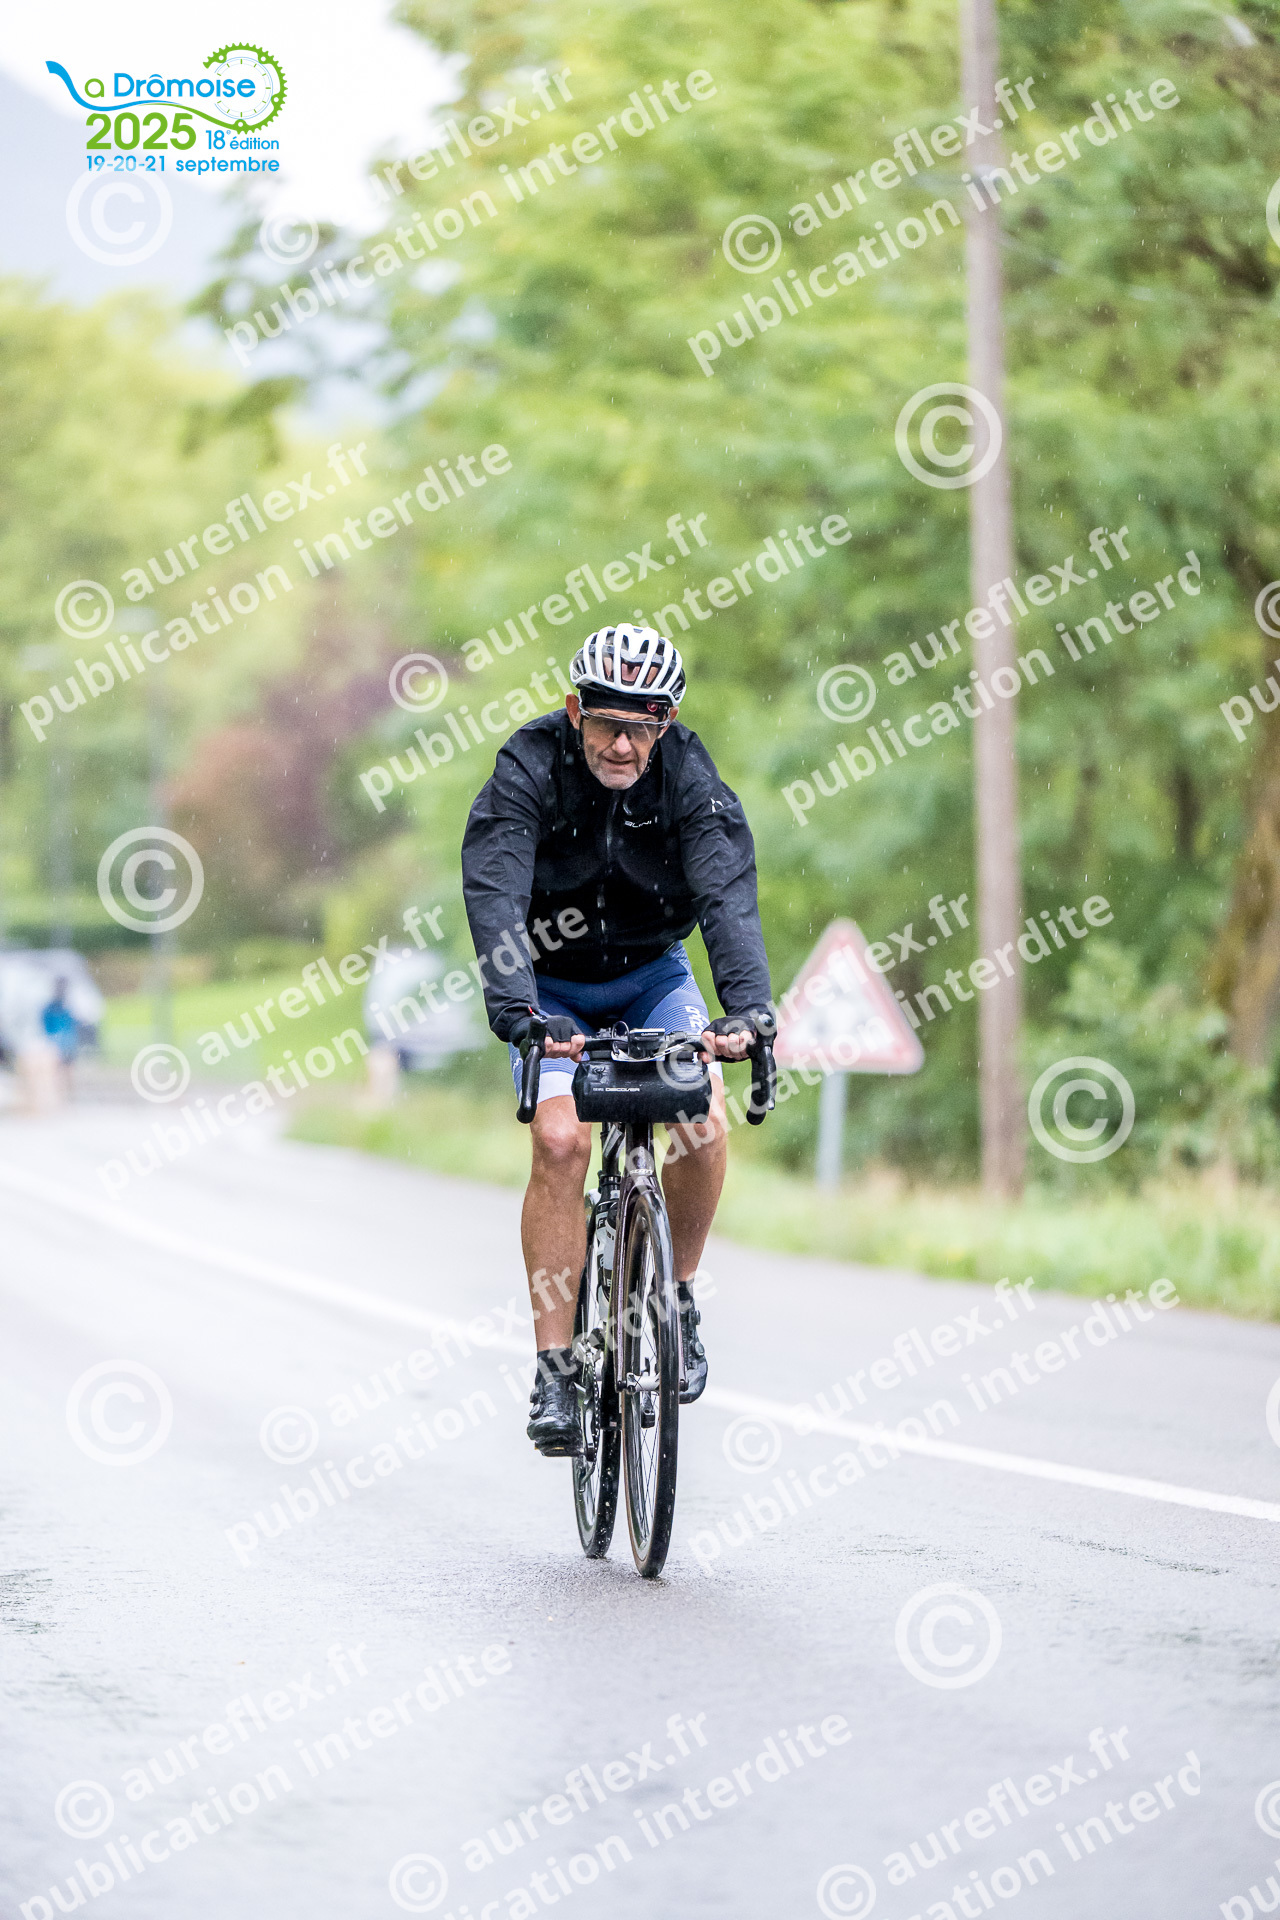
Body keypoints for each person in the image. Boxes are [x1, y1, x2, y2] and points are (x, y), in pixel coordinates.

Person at [462, 623, 772, 1455]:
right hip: (551, 991)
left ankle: (677, 1296)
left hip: (651, 978)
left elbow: (726, 894)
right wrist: (520, 1011)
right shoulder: (529, 766)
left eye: (643, 726)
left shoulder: (688, 776)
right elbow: (495, 893)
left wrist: (746, 1010)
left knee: (703, 1122)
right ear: (576, 711)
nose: (624, 745)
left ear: (666, 724)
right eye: (607, 724)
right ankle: (555, 1366)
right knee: (561, 1143)